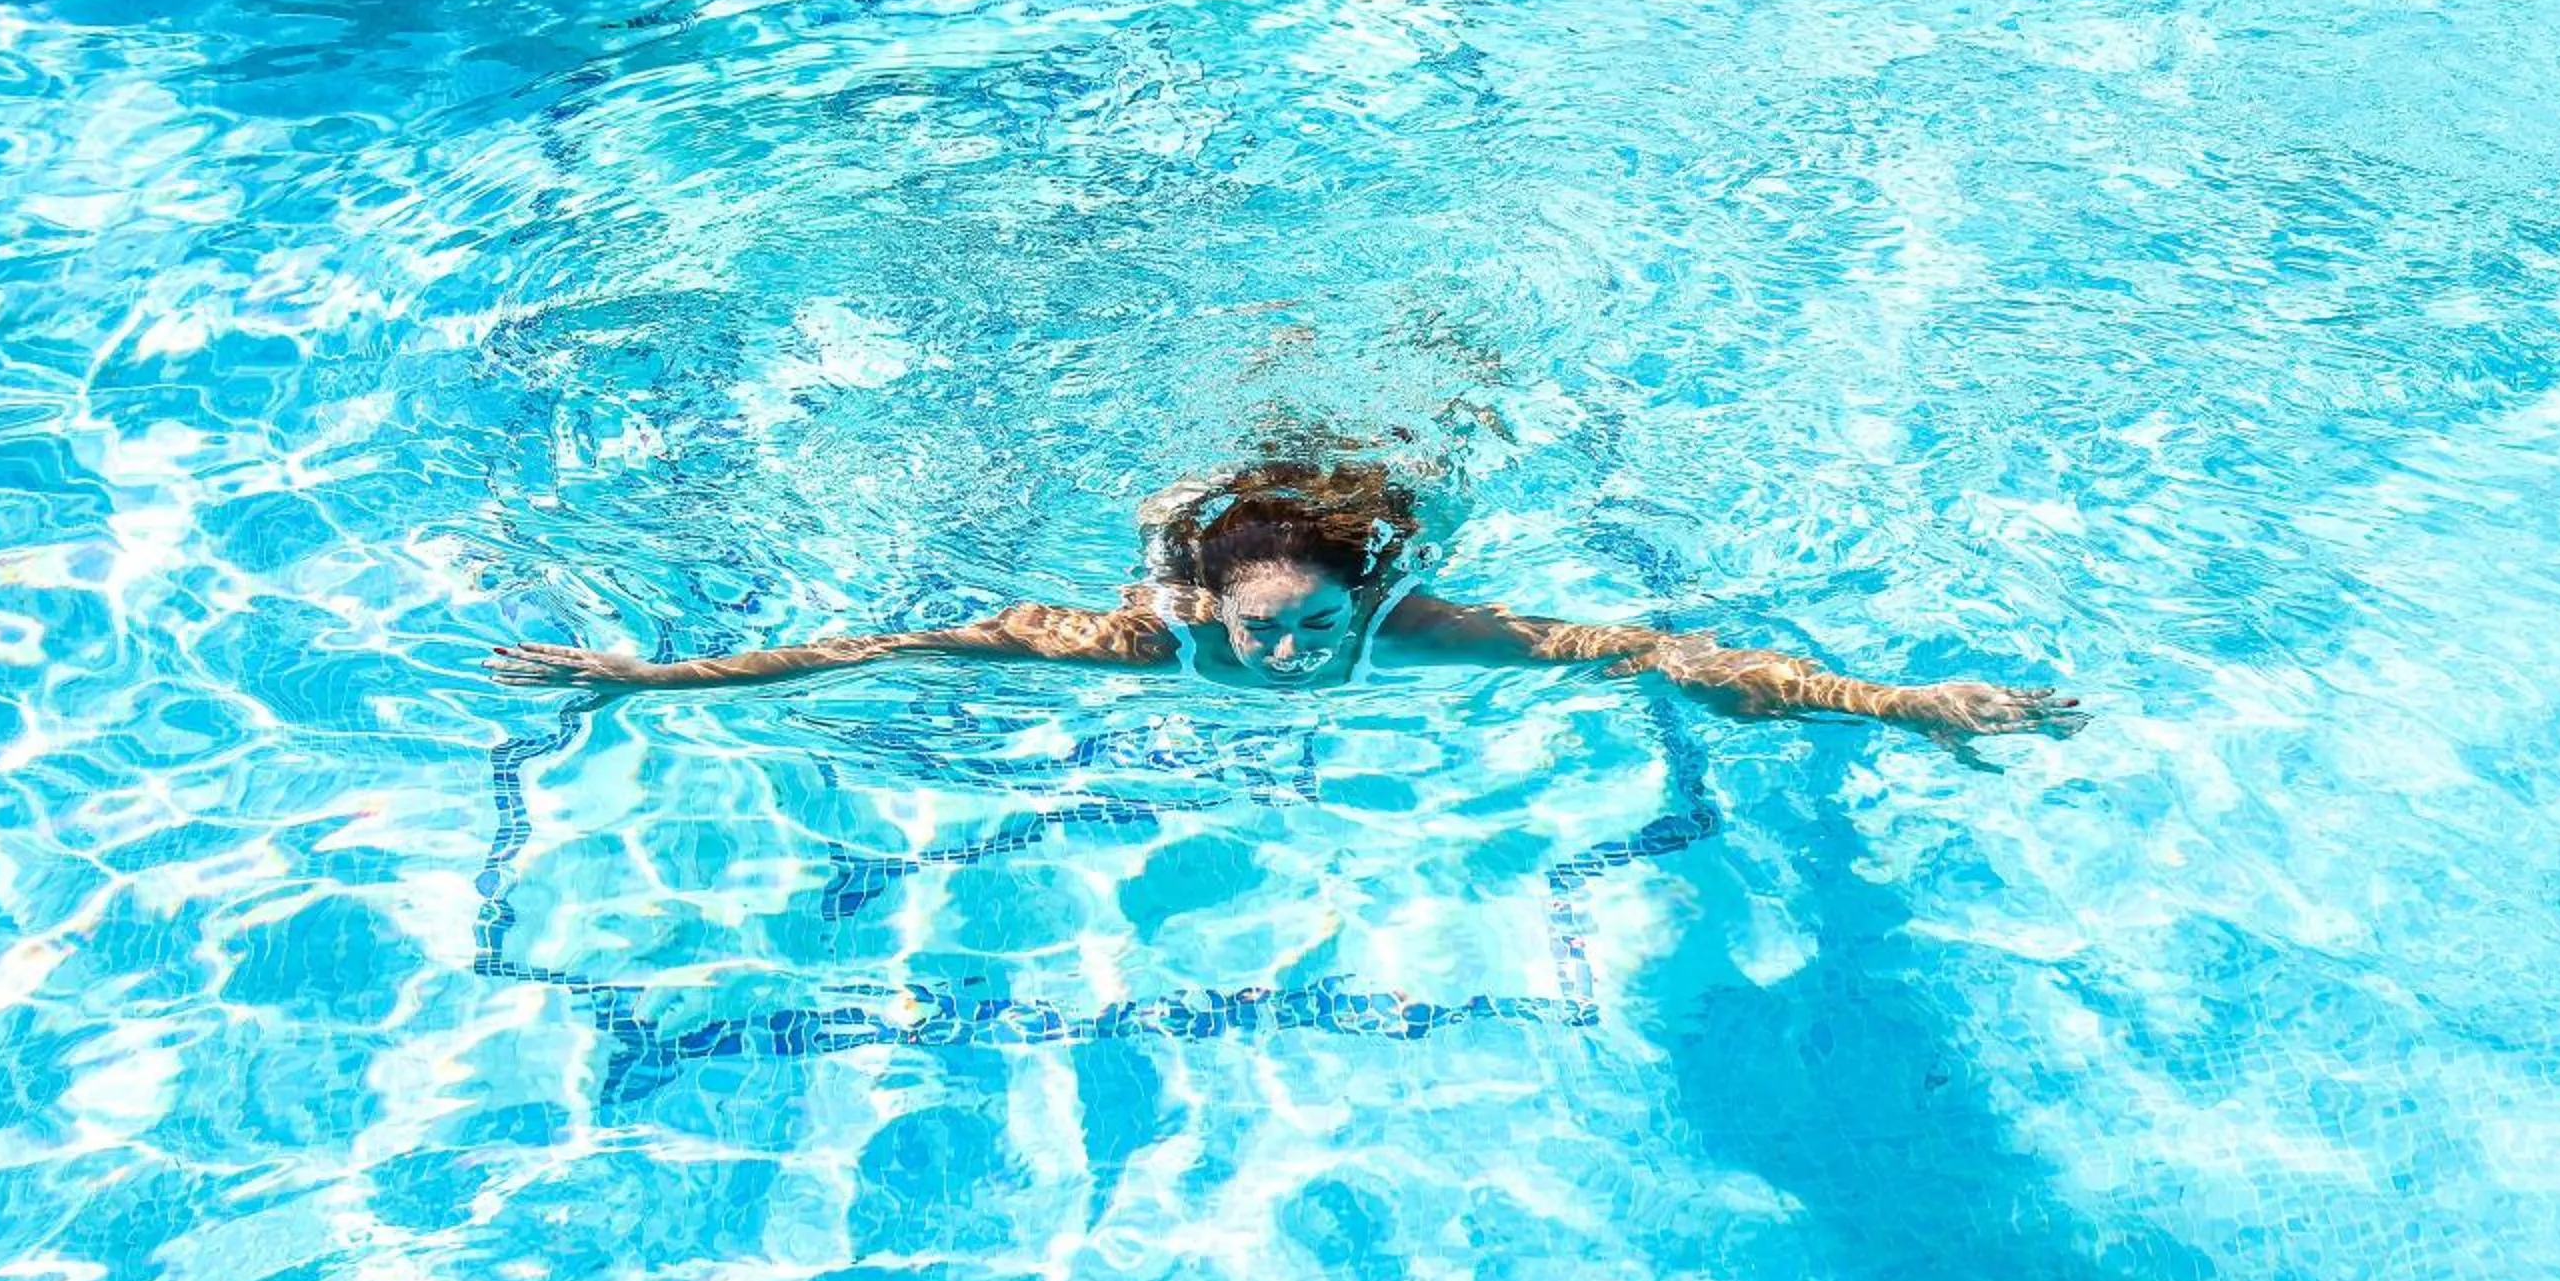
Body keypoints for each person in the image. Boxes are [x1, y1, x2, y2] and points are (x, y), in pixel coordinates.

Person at [486, 459, 2084, 737]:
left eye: (1316, 628)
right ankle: (1186, 507)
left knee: (1391, 473)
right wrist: (652, 676)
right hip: (1188, 540)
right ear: (1215, 614)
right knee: (1170, 519)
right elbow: (891, 646)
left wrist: (1902, 700)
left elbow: (1662, 652)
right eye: (1273, 629)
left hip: (1354, 509)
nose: (1301, 657)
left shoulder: (1409, 622)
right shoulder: (1150, 634)